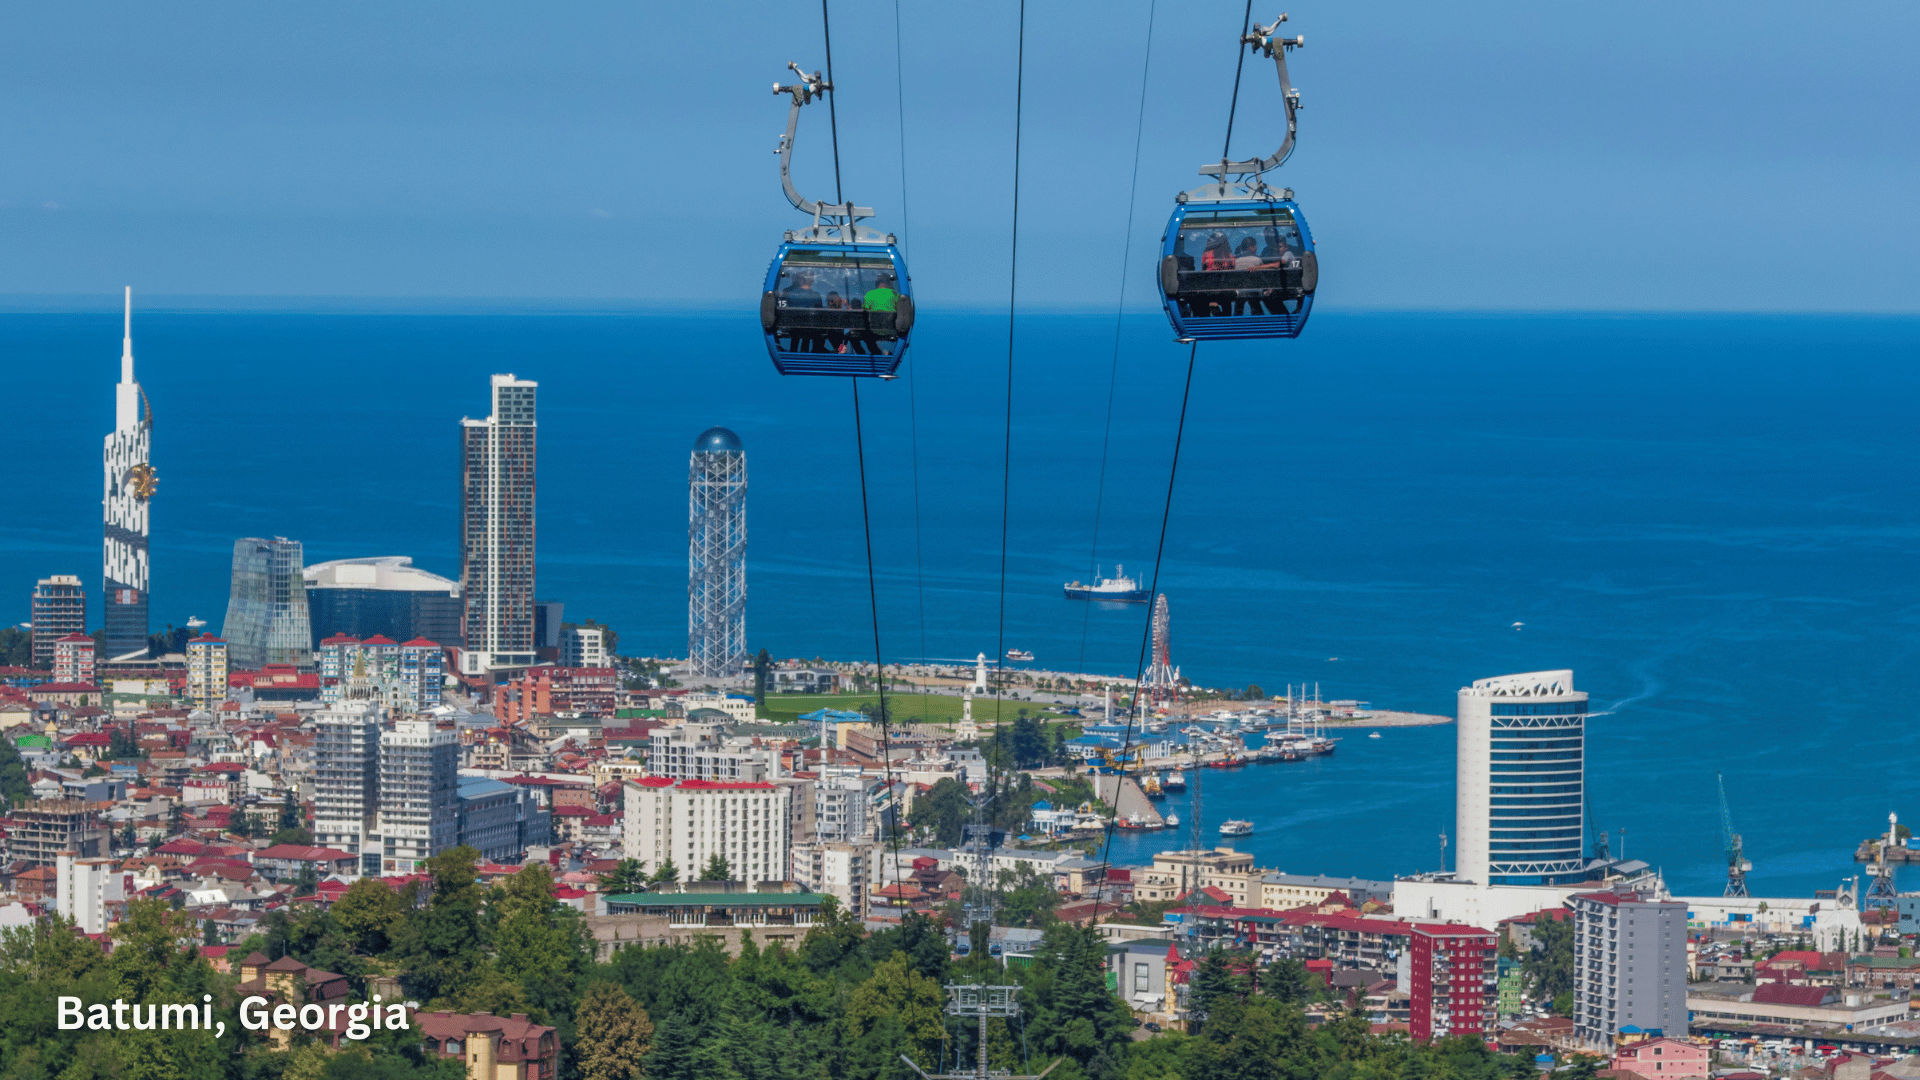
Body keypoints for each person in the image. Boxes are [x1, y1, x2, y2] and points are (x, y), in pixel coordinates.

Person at [781, 271, 824, 352]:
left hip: (793, 326)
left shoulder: (790, 293)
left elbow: (782, 308)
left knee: (794, 344)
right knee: (805, 343)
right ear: (811, 280)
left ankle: (793, 352)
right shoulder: (816, 295)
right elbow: (820, 313)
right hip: (809, 327)